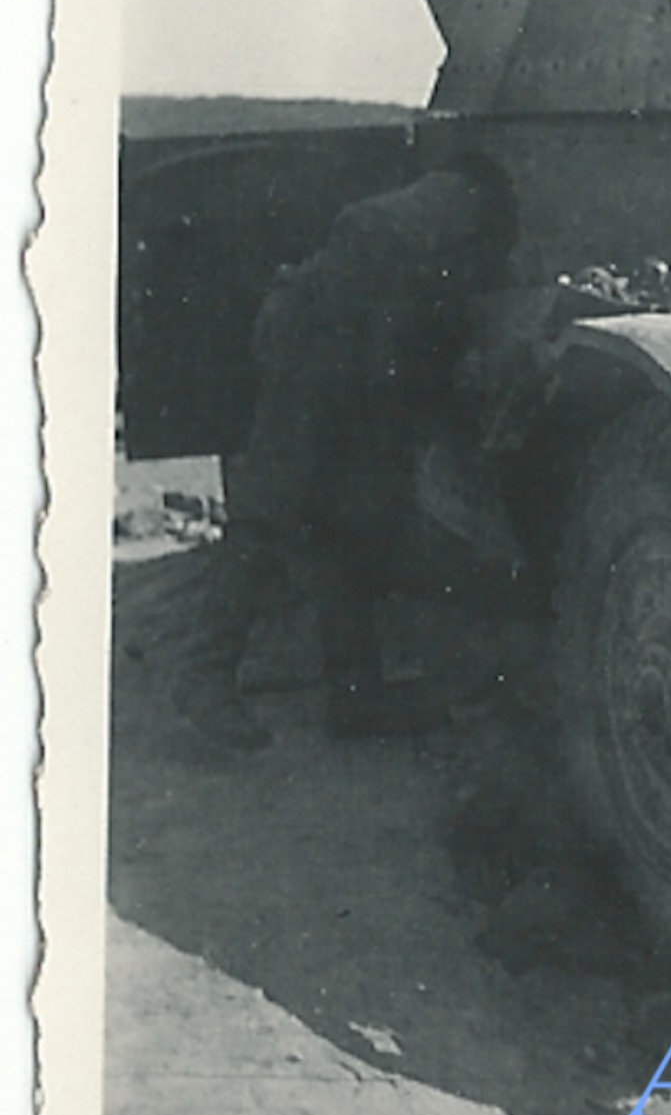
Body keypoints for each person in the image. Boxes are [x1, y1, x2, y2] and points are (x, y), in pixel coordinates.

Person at [172, 157, 517, 750]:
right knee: (270, 514)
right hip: (322, 350)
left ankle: (357, 694)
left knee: (344, 525)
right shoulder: (455, 210)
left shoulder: (449, 206)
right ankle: (205, 676)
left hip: (338, 347)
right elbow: (393, 276)